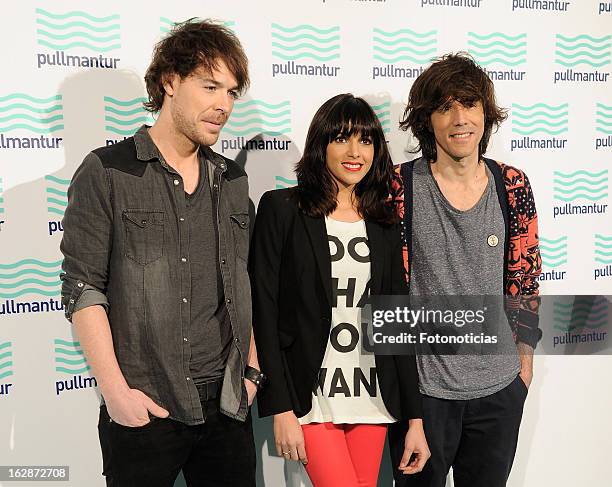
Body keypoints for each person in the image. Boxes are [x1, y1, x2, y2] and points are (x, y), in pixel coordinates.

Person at [59, 20, 263, 487]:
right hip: (145, 405)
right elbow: (83, 287)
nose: (222, 105)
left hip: (228, 406)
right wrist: (115, 393)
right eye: (210, 86)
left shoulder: (232, 181)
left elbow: (242, 279)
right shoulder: (108, 171)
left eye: (231, 92)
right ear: (169, 81)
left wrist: (251, 371)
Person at [250, 94, 430, 487]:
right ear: (321, 144)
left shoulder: (383, 220)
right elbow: (264, 309)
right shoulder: (282, 209)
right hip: (310, 397)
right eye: (342, 139)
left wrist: (416, 420)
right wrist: (280, 407)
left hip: (371, 394)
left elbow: (397, 322)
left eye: (365, 141)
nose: (355, 152)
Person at [388, 53, 542, 487]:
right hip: (423, 396)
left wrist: (523, 367)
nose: (460, 118)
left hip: (499, 390)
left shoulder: (511, 185)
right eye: (445, 106)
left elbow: (526, 277)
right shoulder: (399, 188)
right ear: (428, 120)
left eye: (470, 104)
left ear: (485, 114)